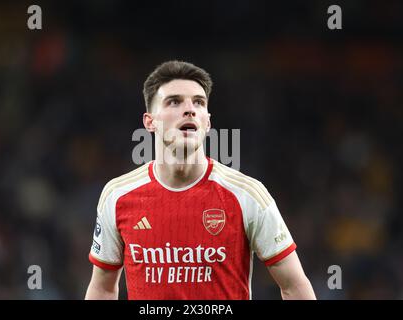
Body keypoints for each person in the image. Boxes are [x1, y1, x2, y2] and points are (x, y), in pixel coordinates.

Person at [85, 60, 316, 300]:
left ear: (207, 122)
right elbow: (102, 288)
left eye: (198, 102)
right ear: (149, 122)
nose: (189, 109)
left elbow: (295, 287)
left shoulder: (248, 195)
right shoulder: (117, 195)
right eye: (174, 101)